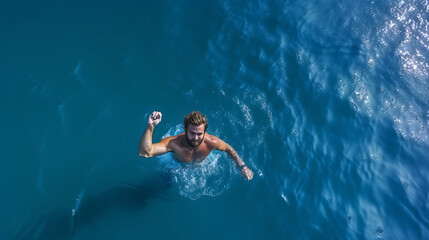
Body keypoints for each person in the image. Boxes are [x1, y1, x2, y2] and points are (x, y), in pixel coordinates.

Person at [139, 111, 254, 180]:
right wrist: (151, 126)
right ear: (185, 130)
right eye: (192, 133)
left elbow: (229, 149)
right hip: (175, 166)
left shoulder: (211, 142)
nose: (195, 138)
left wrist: (242, 167)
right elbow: (145, 152)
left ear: (205, 132)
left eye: (199, 134)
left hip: (197, 166)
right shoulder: (174, 143)